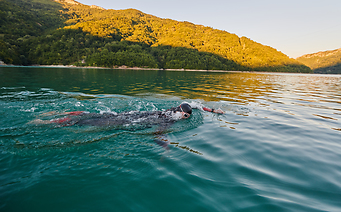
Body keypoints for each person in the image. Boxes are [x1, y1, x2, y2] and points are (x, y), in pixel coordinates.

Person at [31, 102, 224, 129]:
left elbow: (198, 106)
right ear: (183, 115)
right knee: (98, 122)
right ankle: (53, 122)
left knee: (102, 114)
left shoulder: (174, 109)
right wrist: (165, 147)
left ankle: (67, 114)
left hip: (138, 113)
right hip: (135, 120)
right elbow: (159, 133)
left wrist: (214, 111)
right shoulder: (170, 119)